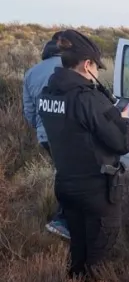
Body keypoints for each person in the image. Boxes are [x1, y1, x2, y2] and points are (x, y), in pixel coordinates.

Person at [38, 30, 129, 281]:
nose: (98, 73)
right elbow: (123, 142)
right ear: (87, 64)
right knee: (98, 262)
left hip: (67, 186)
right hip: (97, 193)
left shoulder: (48, 94)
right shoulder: (88, 99)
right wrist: (123, 119)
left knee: (77, 253)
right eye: (96, 67)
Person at [23, 32, 70, 238]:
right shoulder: (69, 67)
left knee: (63, 173)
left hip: (45, 136)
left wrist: (41, 128)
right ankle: (63, 220)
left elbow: (29, 112)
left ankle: (64, 218)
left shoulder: (31, 73)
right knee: (73, 176)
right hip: (69, 133)